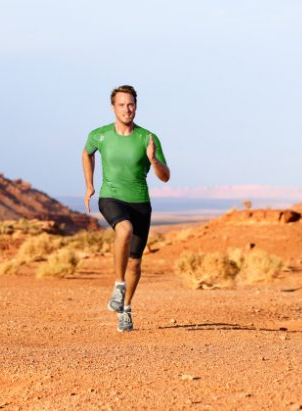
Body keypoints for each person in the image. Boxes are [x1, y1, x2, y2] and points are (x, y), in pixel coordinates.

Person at [82, 85, 170, 332]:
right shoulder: (99, 135)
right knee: (124, 230)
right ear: (113, 107)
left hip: (140, 202)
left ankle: (126, 309)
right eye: (121, 104)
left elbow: (165, 176)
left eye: (130, 104)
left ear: (136, 106)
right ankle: (119, 286)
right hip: (111, 197)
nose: (126, 109)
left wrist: (153, 159)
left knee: (135, 263)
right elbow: (87, 154)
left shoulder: (148, 138)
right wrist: (89, 184)